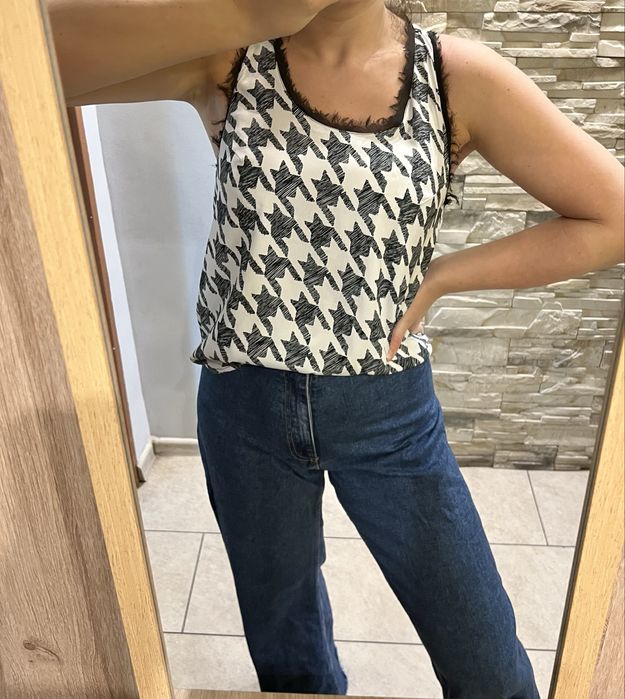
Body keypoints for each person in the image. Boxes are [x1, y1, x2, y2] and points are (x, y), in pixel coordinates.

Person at [49, 0, 624, 696]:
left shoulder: (451, 76)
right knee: (288, 654)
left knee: (485, 658)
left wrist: (442, 277)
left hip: (388, 414)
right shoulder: (229, 53)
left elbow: (611, 216)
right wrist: (246, 13)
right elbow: (37, 62)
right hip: (244, 411)